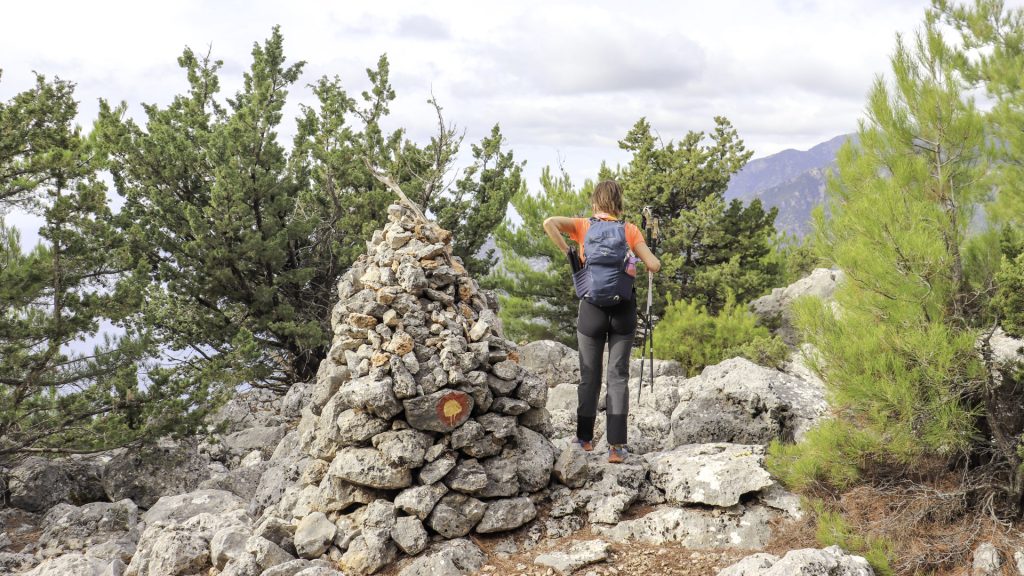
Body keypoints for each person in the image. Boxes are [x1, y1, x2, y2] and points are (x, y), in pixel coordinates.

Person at [542, 180, 661, 463]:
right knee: (617, 376)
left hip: (591, 310)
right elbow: (654, 265)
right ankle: (616, 447)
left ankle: (584, 439)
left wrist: (570, 254)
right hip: (623, 312)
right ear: (619, 203)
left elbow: (549, 223)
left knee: (589, 376)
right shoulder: (629, 230)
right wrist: (639, 258)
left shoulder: (583, 226)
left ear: (595, 202)